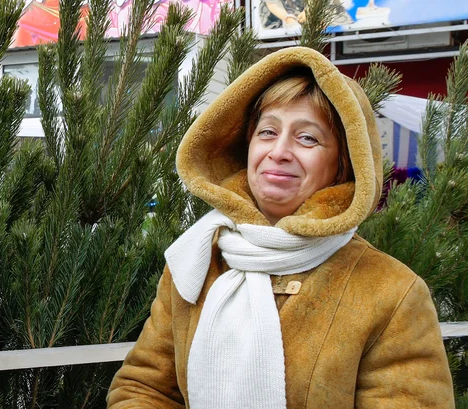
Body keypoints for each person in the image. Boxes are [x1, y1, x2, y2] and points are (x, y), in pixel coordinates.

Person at [106, 47, 454, 408]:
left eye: (308, 138)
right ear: (248, 147)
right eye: (268, 131)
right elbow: (143, 389)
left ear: (343, 166)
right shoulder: (195, 263)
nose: (280, 151)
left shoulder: (392, 293)